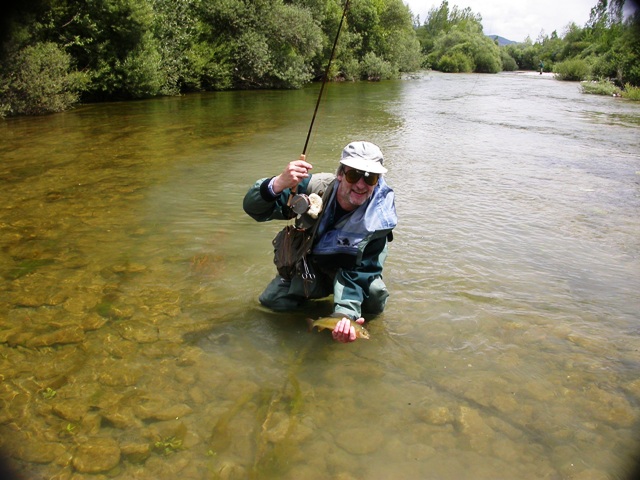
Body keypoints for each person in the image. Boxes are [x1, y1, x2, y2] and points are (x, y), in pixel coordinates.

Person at [243, 141, 397, 343]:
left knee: (375, 296)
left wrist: (345, 316)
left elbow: (360, 273)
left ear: (378, 181)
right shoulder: (313, 188)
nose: (361, 184)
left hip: (350, 271)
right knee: (272, 302)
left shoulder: (379, 218)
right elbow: (254, 209)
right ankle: (313, 312)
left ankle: (351, 317)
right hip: (312, 268)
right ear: (340, 174)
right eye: (354, 175)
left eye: (370, 177)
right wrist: (278, 184)